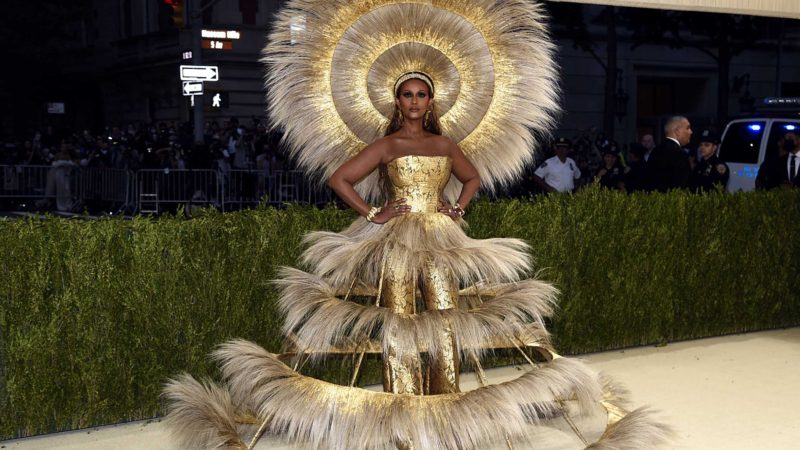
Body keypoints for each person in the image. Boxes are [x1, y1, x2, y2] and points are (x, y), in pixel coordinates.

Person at [165, 2, 669, 448]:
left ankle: (449, 411)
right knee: (400, 321)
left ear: (432, 102)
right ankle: (404, 419)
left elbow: (470, 179)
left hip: (444, 239)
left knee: (448, 318)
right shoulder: (387, 146)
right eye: (405, 95)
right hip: (397, 239)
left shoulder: (446, 146)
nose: (413, 102)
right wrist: (372, 213)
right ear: (396, 100)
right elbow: (341, 178)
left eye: (420, 95)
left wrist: (458, 207)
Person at [647, 116, 692, 191]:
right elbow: (682, 186)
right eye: (687, 128)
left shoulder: (655, 151)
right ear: (677, 131)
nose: (691, 132)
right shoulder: (679, 154)